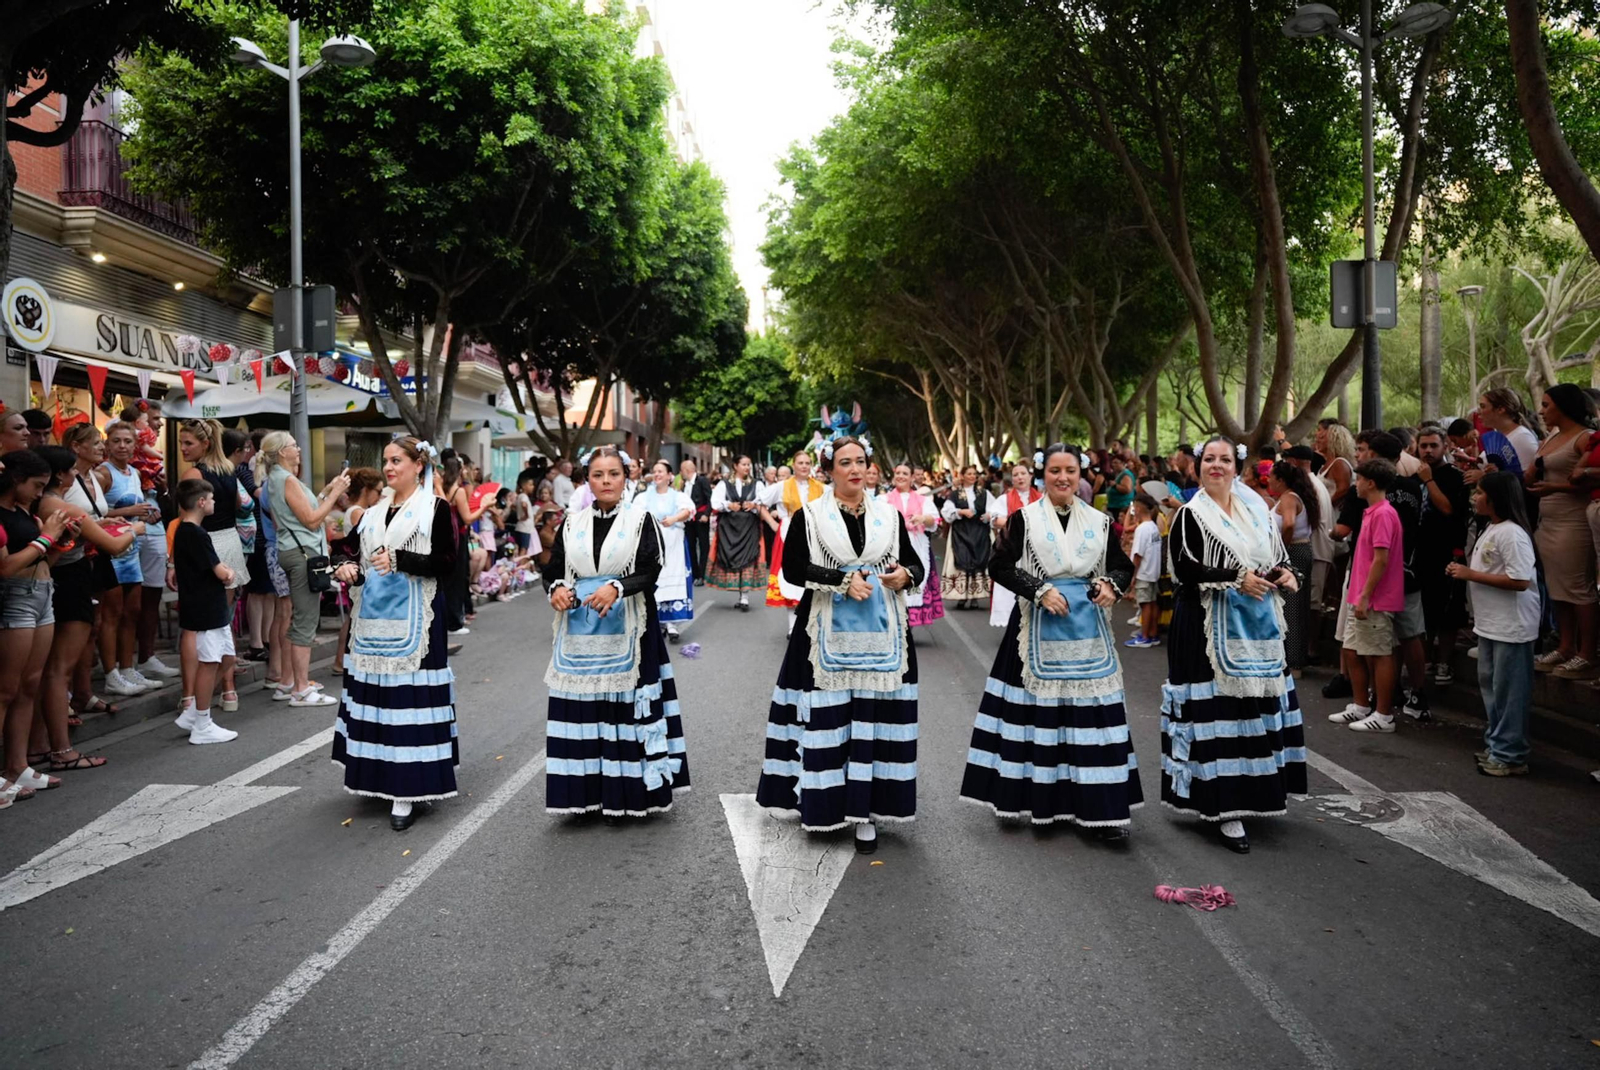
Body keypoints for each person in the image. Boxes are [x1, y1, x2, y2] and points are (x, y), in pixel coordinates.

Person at [959, 443, 1141, 837]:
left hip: (1087, 632)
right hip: (1034, 627)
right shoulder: (1023, 519)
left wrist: (1111, 585)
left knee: (1087, 719)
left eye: (1070, 471)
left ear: (1081, 474)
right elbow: (999, 565)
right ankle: (1030, 799)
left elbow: (1121, 565)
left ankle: (1099, 810)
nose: (1063, 478)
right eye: (1055, 471)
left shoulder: (1099, 519)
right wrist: (1038, 589)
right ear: (1043, 475)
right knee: (1034, 716)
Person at [754, 436, 922, 853]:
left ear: (869, 467)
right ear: (829, 470)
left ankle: (866, 813)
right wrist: (842, 580)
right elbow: (792, 569)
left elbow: (913, 561)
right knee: (827, 719)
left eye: (860, 461)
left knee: (872, 718)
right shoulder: (810, 515)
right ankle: (822, 805)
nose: (854, 469)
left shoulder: (888, 515)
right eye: (845, 463)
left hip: (883, 634)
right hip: (822, 631)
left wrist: (906, 576)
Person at [1160, 437, 1306, 853]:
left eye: (1225, 460)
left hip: (1257, 629)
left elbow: (1276, 556)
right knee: (1220, 713)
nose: (1217, 466)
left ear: (1237, 467)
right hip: (1207, 629)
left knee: (1254, 712)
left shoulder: (1256, 512)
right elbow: (1187, 568)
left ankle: (1255, 795)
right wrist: (1235, 576)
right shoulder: (1191, 515)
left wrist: (1286, 575)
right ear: (1198, 467)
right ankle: (1225, 810)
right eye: (1210, 460)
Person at [541, 445, 689, 820]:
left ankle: (630, 795)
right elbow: (554, 567)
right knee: (584, 710)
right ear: (587, 480)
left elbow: (651, 569)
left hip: (632, 627)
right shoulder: (572, 523)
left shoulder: (641, 519)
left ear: (626, 478)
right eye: (597, 475)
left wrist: (617, 587)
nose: (606, 481)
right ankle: (584, 795)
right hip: (579, 631)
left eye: (613, 474)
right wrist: (556, 588)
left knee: (623, 708)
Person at [331, 437, 461, 830]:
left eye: (397, 460)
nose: (389, 468)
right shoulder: (372, 513)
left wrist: (401, 559)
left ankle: (407, 789)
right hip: (373, 621)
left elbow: (447, 561)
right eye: (386, 461)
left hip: (418, 620)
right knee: (379, 697)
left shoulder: (435, 509)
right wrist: (344, 568)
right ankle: (377, 776)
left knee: (409, 698)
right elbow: (346, 550)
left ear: (418, 465)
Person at [35, 444, 134, 771]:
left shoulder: (36, 502)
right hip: (69, 582)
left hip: (53, 580)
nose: (77, 475)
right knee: (57, 669)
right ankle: (61, 749)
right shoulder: (60, 506)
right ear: (62, 474)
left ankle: (39, 748)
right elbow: (115, 546)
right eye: (73, 470)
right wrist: (135, 529)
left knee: (43, 671)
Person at [1447, 471, 1538, 776]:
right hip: (1490, 625)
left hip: (1511, 627)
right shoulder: (1492, 528)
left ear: (1496, 498)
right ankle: (1497, 745)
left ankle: (1510, 754)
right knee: (1493, 689)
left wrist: (1469, 574)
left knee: (1510, 692)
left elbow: (1520, 580)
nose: (1475, 497)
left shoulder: (1512, 533)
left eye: (1480, 492)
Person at [0, 449, 76, 807]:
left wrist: (60, 540)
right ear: (15, 479)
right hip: (15, 596)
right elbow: (6, 566)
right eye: (35, 485)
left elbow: (44, 557)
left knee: (29, 684)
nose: (38, 493)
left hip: (42, 592)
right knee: (6, 689)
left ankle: (18, 765)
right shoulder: (2, 513)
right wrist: (46, 538)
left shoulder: (22, 512)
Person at [257, 431, 348, 706]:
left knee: (296, 618)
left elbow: (303, 510)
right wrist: (337, 495)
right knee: (305, 621)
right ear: (283, 452)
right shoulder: (285, 479)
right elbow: (311, 519)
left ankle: (289, 682)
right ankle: (301, 688)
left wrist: (327, 491)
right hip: (302, 553)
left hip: (293, 550)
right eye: (294, 445)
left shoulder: (277, 479)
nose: (299, 448)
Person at [1329, 459, 1405, 733]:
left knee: (1379, 652)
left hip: (1374, 598)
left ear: (1371, 482)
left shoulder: (1384, 513)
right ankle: (1361, 705)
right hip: (1360, 594)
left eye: (1358, 479)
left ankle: (1383, 715)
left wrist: (1365, 596)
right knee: (1352, 649)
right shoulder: (1372, 511)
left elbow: (1381, 560)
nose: (1355, 484)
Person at [1528, 384, 1598, 678]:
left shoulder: (1585, 438)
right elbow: (1532, 472)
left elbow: (1587, 477)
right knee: (1557, 587)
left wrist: (1554, 486)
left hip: (1573, 521)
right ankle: (1566, 645)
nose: (1541, 411)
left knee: (1578, 588)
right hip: (1549, 520)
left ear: (1563, 406)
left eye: (1546, 405)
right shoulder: (1552, 437)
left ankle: (1587, 653)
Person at [177, 419, 246, 713]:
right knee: (221, 620)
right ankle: (228, 690)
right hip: (230, 540)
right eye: (180, 443)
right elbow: (242, 506)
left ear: (205, 444)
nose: (182, 449)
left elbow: (183, 517)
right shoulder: (230, 471)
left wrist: (172, 561)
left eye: (187, 443)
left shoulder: (194, 474)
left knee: (193, 626)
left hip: (204, 540)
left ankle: (190, 695)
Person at [169, 479, 242, 744]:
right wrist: (229, 572)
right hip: (205, 607)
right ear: (201, 502)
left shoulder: (187, 531)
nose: (213, 503)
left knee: (227, 659)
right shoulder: (195, 533)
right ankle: (202, 722)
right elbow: (220, 571)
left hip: (208, 606)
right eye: (211, 499)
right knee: (210, 661)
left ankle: (194, 712)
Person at [98, 422, 163, 697]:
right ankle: (111, 673)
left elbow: (135, 511)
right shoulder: (102, 474)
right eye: (116, 441)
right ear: (107, 444)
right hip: (111, 550)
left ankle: (128, 668)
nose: (122, 446)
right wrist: (129, 510)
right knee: (111, 614)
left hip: (133, 548)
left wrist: (148, 514)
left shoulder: (135, 473)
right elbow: (94, 513)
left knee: (132, 611)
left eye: (127, 441)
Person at [1414, 427, 1470, 685]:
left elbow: (1447, 508)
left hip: (1448, 551)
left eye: (1433, 446)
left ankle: (1444, 663)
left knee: (1448, 612)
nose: (1427, 451)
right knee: (1423, 610)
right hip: (1421, 553)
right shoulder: (1415, 477)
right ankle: (1425, 661)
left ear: (1445, 446)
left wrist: (1429, 481)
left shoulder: (1453, 477)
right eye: (1423, 445)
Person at [760, 449, 826, 635]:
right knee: (790, 578)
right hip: (789, 533)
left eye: (807, 463)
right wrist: (774, 523)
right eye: (800, 463)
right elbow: (760, 503)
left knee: (813, 576)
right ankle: (792, 625)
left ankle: (812, 623)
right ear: (794, 465)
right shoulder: (782, 486)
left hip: (814, 535)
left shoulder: (821, 487)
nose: (804, 466)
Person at [329, 468, 383, 675]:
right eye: (378, 492)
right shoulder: (358, 512)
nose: (379, 497)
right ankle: (342, 660)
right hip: (358, 568)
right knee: (355, 616)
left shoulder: (357, 510)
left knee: (353, 615)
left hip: (358, 567)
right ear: (367, 490)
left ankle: (341, 660)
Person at [1268, 461, 1320, 671]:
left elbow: (1288, 523)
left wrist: (1281, 548)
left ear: (1280, 480)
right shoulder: (1294, 496)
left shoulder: (1289, 497)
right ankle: (1295, 657)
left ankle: (1293, 660)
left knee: (1291, 607)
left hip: (1293, 553)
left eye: (1271, 476)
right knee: (1296, 605)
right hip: (1301, 551)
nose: (1268, 479)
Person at [637, 458, 696, 640]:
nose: (657, 475)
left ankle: (672, 625)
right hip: (653, 545)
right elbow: (636, 515)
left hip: (674, 545)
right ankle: (658, 623)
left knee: (673, 579)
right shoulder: (644, 497)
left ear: (670, 476)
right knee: (656, 580)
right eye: (654, 471)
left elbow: (688, 510)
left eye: (661, 471)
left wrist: (674, 519)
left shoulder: (677, 496)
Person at [884, 462, 945, 631]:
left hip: (916, 544)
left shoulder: (923, 500)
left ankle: (907, 626)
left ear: (912, 478)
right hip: (891, 546)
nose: (901, 476)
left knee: (912, 579)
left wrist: (923, 519)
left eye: (905, 473)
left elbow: (934, 522)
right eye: (898, 473)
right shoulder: (884, 499)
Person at [985, 461, 1041, 629]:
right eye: (1016, 475)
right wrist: (1021, 523)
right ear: (1012, 480)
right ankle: (1012, 624)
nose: (1020, 477)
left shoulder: (1042, 498)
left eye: (1023, 473)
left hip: (1036, 550)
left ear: (1030, 476)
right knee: (1010, 586)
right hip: (1011, 550)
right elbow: (995, 520)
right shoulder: (1005, 499)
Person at [707, 454, 765, 609]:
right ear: (735, 466)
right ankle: (740, 593)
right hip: (729, 527)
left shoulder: (756, 484)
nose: (747, 467)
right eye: (744, 464)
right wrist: (728, 505)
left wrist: (753, 506)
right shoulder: (724, 484)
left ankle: (745, 596)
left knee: (748, 557)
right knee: (731, 555)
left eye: (748, 465)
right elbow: (715, 502)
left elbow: (763, 501)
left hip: (749, 527)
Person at [1283, 445, 1336, 611]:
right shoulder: (1312, 483)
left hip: (1316, 551)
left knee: (1311, 604)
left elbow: (1305, 522)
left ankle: (1311, 638)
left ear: (1294, 462)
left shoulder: (1310, 486)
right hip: (1315, 551)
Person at [941, 464, 992, 610]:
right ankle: (961, 596)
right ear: (962, 476)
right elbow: (946, 511)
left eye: (974, 474)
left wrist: (989, 515)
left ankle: (975, 596)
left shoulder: (984, 493)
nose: (972, 476)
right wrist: (961, 512)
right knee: (962, 560)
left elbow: (994, 509)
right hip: (961, 532)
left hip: (979, 531)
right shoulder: (955, 494)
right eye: (969, 473)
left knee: (978, 561)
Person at [1473, 388, 1541, 479]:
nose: (1478, 412)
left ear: (1500, 409)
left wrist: (1484, 477)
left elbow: (1526, 480)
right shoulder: (1497, 435)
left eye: (1483, 406)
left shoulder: (1522, 437)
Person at [1126, 492, 1163, 648]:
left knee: (1145, 604)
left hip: (1144, 572)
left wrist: (1132, 575)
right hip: (1153, 571)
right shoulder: (1153, 526)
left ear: (1139, 509)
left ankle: (1145, 636)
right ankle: (1152, 633)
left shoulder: (1142, 529)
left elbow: (1138, 555)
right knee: (1152, 603)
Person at [679, 458, 712, 583]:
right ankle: (694, 573)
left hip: (700, 518)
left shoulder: (701, 481)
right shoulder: (684, 484)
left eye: (682, 470)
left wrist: (707, 514)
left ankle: (702, 575)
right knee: (690, 546)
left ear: (687, 470)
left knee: (703, 546)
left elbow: (710, 498)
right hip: (688, 520)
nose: (680, 473)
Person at [1316, 421, 1357, 508]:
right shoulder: (1327, 463)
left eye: (1322, 438)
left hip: (1334, 514)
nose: (1317, 440)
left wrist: (1324, 506)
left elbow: (1343, 489)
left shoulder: (1339, 463)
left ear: (1334, 441)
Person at [511, 473, 542, 555]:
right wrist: (526, 514)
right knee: (524, 548)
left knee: (522, 547)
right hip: (525, 527)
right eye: (530, 485)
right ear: (524, 486)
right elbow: (524, 504)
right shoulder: (523, 496)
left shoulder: (519, 496)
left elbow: (514, 506)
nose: (533, 487)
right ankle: (520, 565)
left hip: (521, 527)